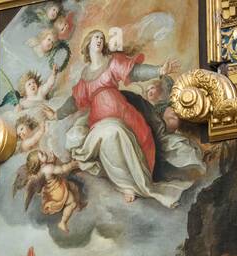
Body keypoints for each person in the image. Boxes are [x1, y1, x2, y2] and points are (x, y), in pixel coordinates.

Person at [58, 30, 183, 206]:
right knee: (111, 141)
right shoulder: (85, 76)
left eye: (102, 38)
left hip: (123, 115)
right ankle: (126, 185)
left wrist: (159, 70)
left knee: (136, 140)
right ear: (88, 44)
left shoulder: (112, 63)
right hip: (99, 121)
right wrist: (56, 114)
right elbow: (74, 101)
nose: (100, 40)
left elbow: (134, 72)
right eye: (96, 37)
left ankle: (137, 182)